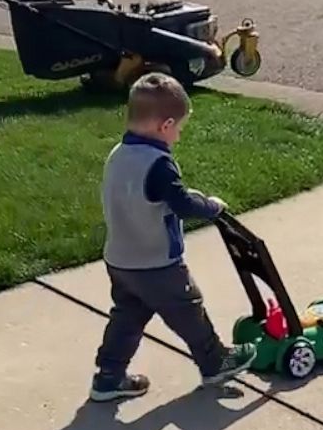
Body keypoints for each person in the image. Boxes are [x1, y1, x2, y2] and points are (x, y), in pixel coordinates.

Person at [90, 73, 258, 402]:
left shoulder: (119, 153)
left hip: (120, 260)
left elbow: (148, 195)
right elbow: (181, 204)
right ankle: (215, 363)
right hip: (156, 263)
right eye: (179, 128)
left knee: (127, 317)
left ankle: (108, 377)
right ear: (165, 125)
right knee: (188, 308)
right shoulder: (159, 164)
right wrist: (211, 207)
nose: (178, 136)